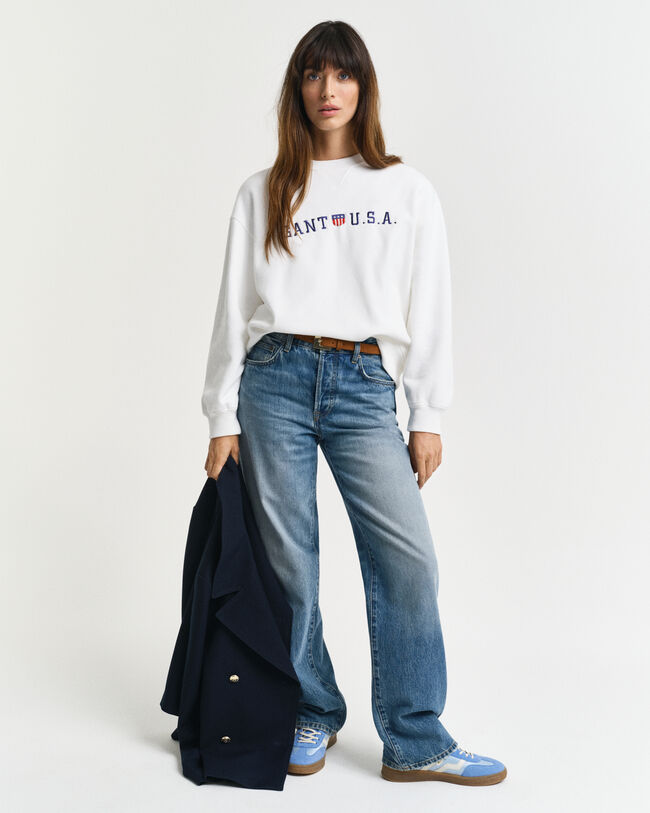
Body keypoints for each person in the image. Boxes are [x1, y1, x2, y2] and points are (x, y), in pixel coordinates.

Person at [201, 20, 507, 786]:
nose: (327, 90)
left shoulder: (404, 190)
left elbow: (430, 302)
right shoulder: (264, 190)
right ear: (297, 89)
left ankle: (415, 735)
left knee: (408, 558)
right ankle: (312, 707)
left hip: (365, 382)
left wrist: (427, 413)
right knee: (288, 562)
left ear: (363, 87)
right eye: (312, 75)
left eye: (342, 75)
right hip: (271, 379)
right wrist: (220, 415)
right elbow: (232, 309)